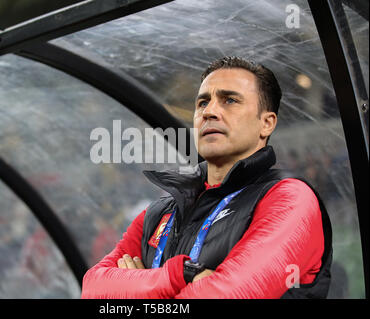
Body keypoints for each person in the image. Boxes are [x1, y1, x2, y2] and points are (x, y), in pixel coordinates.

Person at [81, 56, 332, 299]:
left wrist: (137, 288)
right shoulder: (161, 210)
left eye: (230, 100)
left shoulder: (289, 199)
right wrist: (183, 274)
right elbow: (92, 288)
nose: (209, 111)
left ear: (266, 123)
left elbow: (228, 295)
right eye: (202, 102)